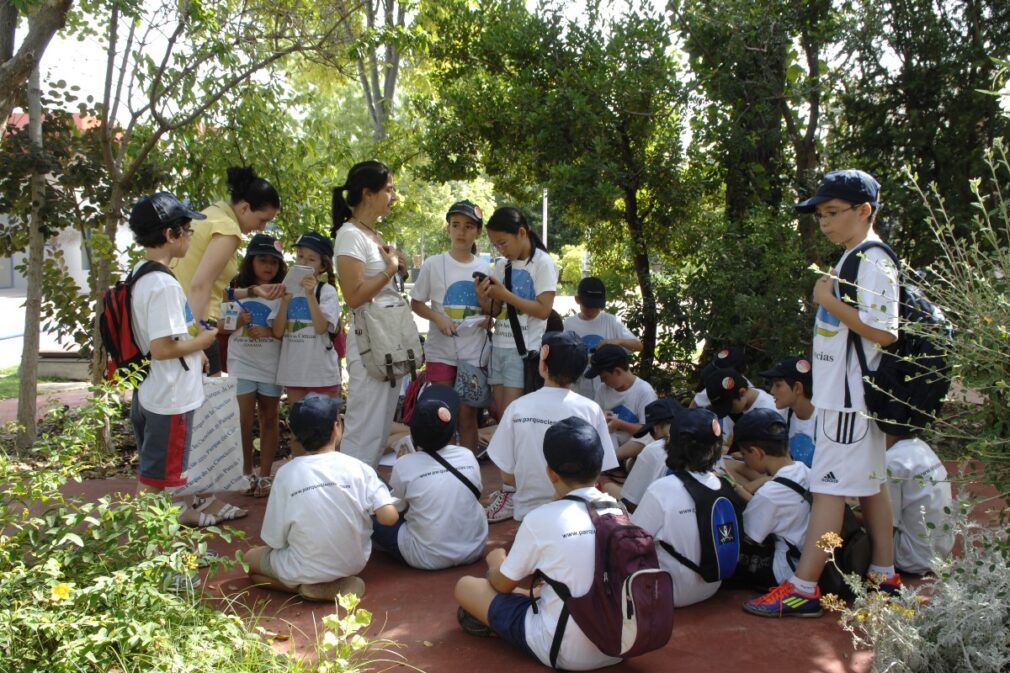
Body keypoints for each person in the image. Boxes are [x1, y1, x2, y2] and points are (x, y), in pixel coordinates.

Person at [744, 169, 900, 618]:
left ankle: (804, 586)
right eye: (821, 215)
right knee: (872, 485)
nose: (825, 222)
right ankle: (883, 572)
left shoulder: (872, 260)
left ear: (864, 211)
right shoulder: (857, 256)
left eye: (833, 212)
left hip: (847, 403)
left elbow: (885, 332)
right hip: (848, 400)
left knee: (827, 491)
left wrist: (828, 302)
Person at [454, 416, 624, 671]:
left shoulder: (541, 519)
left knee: (466, 587)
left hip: (566, 652)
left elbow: (500, 584)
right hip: (620, 644)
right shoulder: (617, 509)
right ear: (599, 469)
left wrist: (495, 560)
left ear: (551, 473)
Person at [125, 192, 239, 525]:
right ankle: (160, 558)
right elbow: (162, 348)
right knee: (158, 484)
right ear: (169, 234)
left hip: (153, 391)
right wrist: (203, 340)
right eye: (187, 230)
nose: (191, 237)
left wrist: (195, 348)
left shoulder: (142, 273)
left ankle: (156, 553)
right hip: (169, 398)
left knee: (154, 478)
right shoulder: (161, 284)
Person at [244, 394, 398, 602]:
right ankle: (327, 586)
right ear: (336, 428)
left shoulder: (286, 473)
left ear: (295, 435)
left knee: (249, 561)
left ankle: (303, 588)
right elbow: (389, 517)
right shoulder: (358, 467)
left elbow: (274, 540)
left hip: (303, 566)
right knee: (263, 568)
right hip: (353, 563)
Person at [484, 331, 618, 523]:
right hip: (577, 512)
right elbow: (599, 469)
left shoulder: (517, 409)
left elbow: (507, 474)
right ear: (581, 371)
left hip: (528, 514)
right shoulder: (591, 410)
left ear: (543, 363)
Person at [333, 160, 408, 469]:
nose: (393, 196)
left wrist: (394, 267)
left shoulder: (371, 234)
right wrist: (389, 270)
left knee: (378, 428)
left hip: (388, 341)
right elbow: (353, 296)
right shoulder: (350, 235)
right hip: (370, 343)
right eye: (388, 189)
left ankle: (365, 497)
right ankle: (351, 499)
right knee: (364, 426)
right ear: (368, 193)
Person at [172, 166, 283, 375]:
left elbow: (211, 288)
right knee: (208, 405)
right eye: (263, 220)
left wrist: (251, 291)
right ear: (244, 208)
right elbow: (199, 285)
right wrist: (196, 340)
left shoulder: (209, 215)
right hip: (194, 327)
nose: (262, 228)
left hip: (178, 323)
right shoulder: (227, 228)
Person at [371, 385, 488, 569]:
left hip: (426, 557)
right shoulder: (467, 455)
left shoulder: (405, 464)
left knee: (373, 502)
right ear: (451, 432)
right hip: (474, 549)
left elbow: (396, 511)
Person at [410, 200, 491, 451]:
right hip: (441, 352)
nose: (461, 232)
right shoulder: (434, 264)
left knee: (467, 419)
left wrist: (486, 316)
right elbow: (416, 303)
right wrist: (438, 318)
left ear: (477, 232)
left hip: (473, 353)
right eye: (455, 225)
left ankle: (468, 472)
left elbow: (493, 311)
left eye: (468, 226)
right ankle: (442, 474)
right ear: (448, 229)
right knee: (442, 414)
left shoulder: (486, 267)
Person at [632, 407, 729, 607]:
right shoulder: (723, 485)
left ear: (671, 444)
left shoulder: (661, 489)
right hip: (713, 585)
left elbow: (632, 544)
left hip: (668, 593)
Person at [476, 206, 557, 418]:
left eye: (503, 243)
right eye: (495, 245)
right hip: (499, 348)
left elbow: (543, 310)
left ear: (522, 233)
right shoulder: (503, 266)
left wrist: (505, 295)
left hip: (522, 351)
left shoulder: (543, 263)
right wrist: (483, 297)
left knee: (512, 418)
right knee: (501, 417)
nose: (501, 250)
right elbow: (496, 311)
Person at [224, 233, 286, 497]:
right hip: (241, 364)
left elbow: (285, 330)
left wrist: (270, 331)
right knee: (243, 420)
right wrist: (238, 322)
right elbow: (222, 326)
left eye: (273, 261)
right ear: (250, 261)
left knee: (270, 419)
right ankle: (246, 473)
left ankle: (265, 475)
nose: (268, 267)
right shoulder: (234, 288)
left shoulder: (284, 291)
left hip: (272, 366)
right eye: (262, 260)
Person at [728, 408, 812, 593]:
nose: (744, 460)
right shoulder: (804, 470)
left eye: (744, 454)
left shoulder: (770, 494)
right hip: (808, 562)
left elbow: (749, 535)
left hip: (783, 571)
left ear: (757, 452)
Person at [273, 231, 343, 417]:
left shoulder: (326, 291)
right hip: (294, 371)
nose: (303, 263)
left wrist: (311, 295)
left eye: (311, 259)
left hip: (321, 373)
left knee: (325, 428)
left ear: (322, 266)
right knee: (299, 429)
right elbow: (278, 332)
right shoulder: (288, 288)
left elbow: (321, 328)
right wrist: (285, 302)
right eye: (300, 256)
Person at [885, 432, 954, 575]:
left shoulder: (891, 460)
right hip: (941, 551)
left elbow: (886, 525)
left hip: (910, 559)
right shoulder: (920, 446)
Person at [563, 276, 642, 399]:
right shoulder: (568, 325)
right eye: (588, 305)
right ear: (577, 299)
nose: (592, 310)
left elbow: (638, 345)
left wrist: (616, 341)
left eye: (596, 306)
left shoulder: (611, 321)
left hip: (607, 391)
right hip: (579, 391)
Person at [602, 398, 680, 511]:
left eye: (651, 432)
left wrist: (605, 483)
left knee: (606, 485)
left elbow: (631, 504)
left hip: (664, 517)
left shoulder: (655, 449)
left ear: (656, 427)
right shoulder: (704, 440)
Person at [585, 344, 657, 461]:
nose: (602, 381)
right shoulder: (603, 389)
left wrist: (619, 424)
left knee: (647, 437)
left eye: (604, 377)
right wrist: (601, 418)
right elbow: (594, 420)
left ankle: (610, 459)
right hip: (610, 442)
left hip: (632, 445)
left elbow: (650, 430)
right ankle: (610, 459)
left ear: (618, 371)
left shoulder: (644, 391)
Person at [759, 356, 817, 467]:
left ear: (798, 388)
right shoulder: (783, 416)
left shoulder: (826, 421)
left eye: (778, 385)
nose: (772, 391)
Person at [704, 366, 782, 446]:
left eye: (729, 407)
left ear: (742, 392)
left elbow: (772, 449)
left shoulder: (768, 411)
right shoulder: (742, 405)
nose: (729, 412)